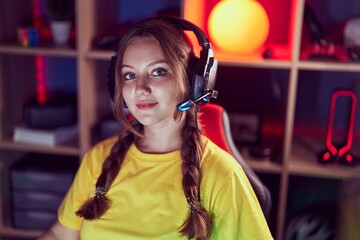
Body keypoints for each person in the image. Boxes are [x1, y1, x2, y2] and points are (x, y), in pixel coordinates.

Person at [38, 16, 273, 240]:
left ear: (194, 83)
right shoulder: (98, 159)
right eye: (129, 75)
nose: (141, 88)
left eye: (158, 72)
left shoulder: (222, 176)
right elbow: (61, 234)